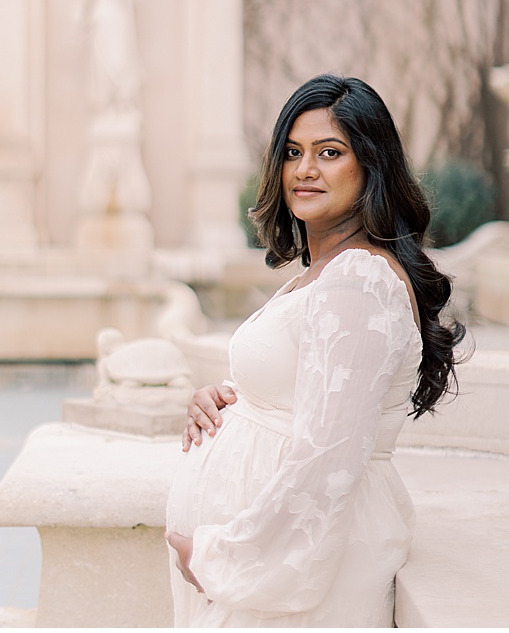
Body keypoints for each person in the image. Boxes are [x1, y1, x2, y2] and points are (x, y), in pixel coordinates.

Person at [163, 74, 466, 626]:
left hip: (297, 576)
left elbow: (329, 459)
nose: (305, 170)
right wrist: (230, 402)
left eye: (330, 152)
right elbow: (313, 400)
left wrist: (218, 558)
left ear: (371, 166)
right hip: (267, 570)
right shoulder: (327, 274)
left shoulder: (359, 280)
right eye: (293, 152)